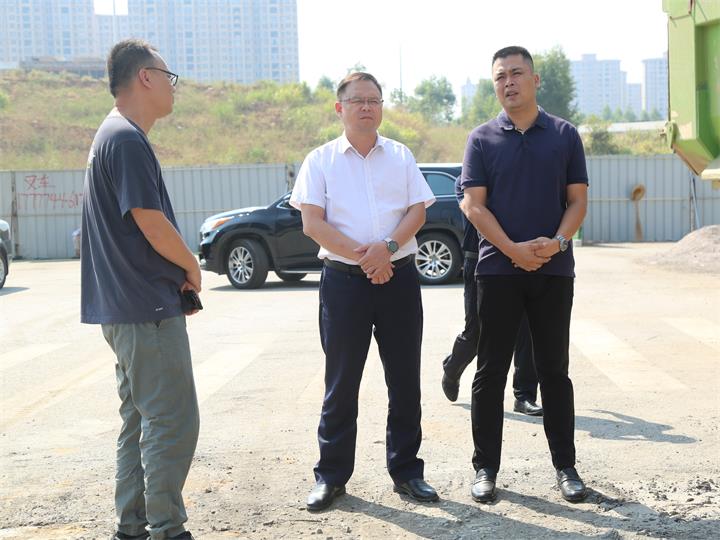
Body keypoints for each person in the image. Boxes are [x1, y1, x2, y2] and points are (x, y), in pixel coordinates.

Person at [291, 72, 439, 511]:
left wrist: (386, 249)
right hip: (344, 284)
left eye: (375, 100)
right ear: (340, 108)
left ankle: (407, 471)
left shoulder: (400, 155)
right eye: (358, 100)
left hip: (399, 278)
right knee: (341, 383)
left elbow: (417, 210)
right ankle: (331, 476)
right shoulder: (320, 160)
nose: (367, 107)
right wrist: (367, 259)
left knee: (404, 380)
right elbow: (312, 223)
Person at [80, 39, 200, 540]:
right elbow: (150, 222)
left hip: (123, 307)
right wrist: (191, 264)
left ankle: (131, 526)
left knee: (139, 421)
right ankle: (167, 528)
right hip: (145, 307)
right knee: (172, 420)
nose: (173, 87)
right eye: (168, 77)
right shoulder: (127, 139)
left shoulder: (110, 135)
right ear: (145, 77)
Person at [459, 46, 589, 504]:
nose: (508, 82)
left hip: (554, 271)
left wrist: (558, 242)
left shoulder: (564, 135)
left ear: (535, 80)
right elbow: (473, 205)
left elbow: (577, 200)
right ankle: (485, 469)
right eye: (500, 77)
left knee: (554, 370)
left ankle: (566, 467)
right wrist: (512, 249)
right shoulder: (481, 139)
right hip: (498, 271)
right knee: (490, 370)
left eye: (516, 73)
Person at [442, 175, 542, 417]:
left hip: (521, 257)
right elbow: (479, 213)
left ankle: (524, 395)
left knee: (527, 328)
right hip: (480, 259)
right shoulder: (466, 180)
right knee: (477, 329)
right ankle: (453, 367)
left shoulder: (515, 175)